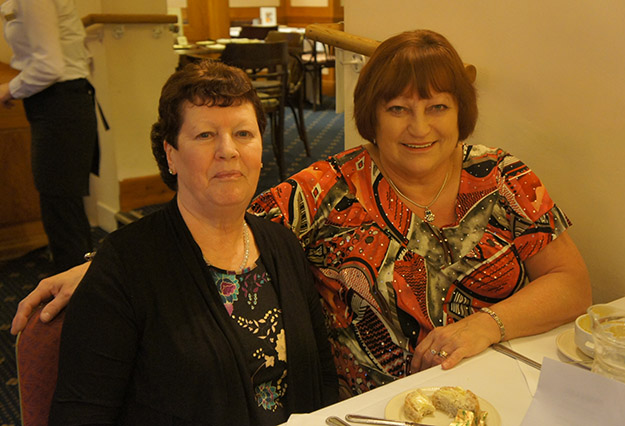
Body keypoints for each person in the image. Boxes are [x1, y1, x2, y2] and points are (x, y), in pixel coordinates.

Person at [13, 30, 591, 400]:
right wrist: (101, 266)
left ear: (460, 113)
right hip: (377, 407)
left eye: (437, 107)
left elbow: (572, 284)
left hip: (497, 385)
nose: (419, 128)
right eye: (398, 109)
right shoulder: (328, 190)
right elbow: (212, 224)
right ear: (371, 116)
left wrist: (485, 325)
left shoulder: (502, 176)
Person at [47, 61, 337, 425]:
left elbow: (323, 378)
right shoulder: (124, 268)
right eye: (205, 135)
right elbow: (79, 416)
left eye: (243, 133)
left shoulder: (283, 246)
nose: (228, 150)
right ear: (171, 154)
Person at [0, 0, 99, 272]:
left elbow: (49, 67)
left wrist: (9, 89)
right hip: (57, 103)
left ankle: (76, 287)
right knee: (62, 206)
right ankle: (79, 281)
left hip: (60, 104)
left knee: (61, 209)